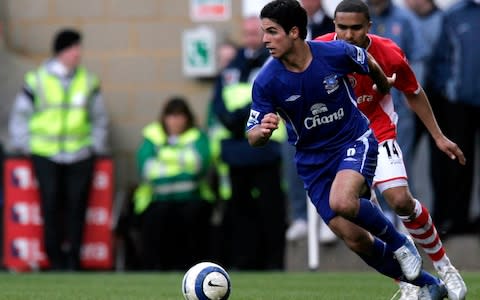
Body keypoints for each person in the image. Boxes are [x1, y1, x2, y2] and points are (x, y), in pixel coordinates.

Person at [247, 0, 447, 298]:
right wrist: (261, 132)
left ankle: (400, 243)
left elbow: (369, 63)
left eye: (272, 32)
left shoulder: (336, 52)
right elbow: (252, 134)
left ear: (294, 32)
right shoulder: (266, 80)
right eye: (263, 32)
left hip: (353, 140)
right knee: (355, 240)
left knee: (343, 201)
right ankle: (427, 285)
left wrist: (382, 85)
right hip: (313, 162)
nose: (265, 39)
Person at [314, 1, 468, 299]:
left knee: (399, 201)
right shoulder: (318, 50)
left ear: (369, 26)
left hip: (379, 134)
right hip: (341, 145)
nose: (347, 34)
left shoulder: (387, 52)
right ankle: (407, 284)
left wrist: (438, 136)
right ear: (333, 25)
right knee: (364, 219)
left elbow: (414, 92)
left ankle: (445, 266)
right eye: (341, 27)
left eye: (355, 28)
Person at [8, 28, 110, 271]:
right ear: (62, 51)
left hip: (80, 154)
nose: (78, 53)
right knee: (50, 205)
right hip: (46, 153)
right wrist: (26, 145)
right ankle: (53, 258)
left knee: (77, 207)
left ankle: (74, 257)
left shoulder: (87, 81)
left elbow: (100, 117)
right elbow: (20, 116)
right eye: (74, 48)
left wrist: (94, 145)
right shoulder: (38, 80)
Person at [212, 15, 287, 270]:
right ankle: (244, 262)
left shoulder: (274, 62)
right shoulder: (233, 65)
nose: (251, 37)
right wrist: (242, 118)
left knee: (271, 208)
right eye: (247, 33)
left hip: (267, 148)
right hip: (236, 150)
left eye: (256, 32)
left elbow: (272, 98)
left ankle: (274, 263)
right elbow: (219, 105)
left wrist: (243, 116)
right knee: (239, 210)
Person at [133, 96, 212, 271]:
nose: (175, 121)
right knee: (156, 220)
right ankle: (153, 268)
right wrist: (181, 165)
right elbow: (146, 168)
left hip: (192, 197)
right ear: (164, 117)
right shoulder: (152, 135)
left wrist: (165, 163)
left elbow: (199, 165)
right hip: (157, 198)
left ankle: (190, 268)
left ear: (187, 118)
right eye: (171, 116)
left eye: (180, 116)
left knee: (193, 220)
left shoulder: (197, 136)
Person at [285, 0, 337, 243]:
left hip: (330, 108)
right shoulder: (286, 30)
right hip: (298, 112)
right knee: (294, 162)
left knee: (334, 165)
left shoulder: (332, 26)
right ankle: (301, 218)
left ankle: (332, 217)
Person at [429, 0, 480, 239]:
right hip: (460, 102)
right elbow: (441, 58)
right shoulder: (455, 15)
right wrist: (447, 89)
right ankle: (456, 219)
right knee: (459, 161)